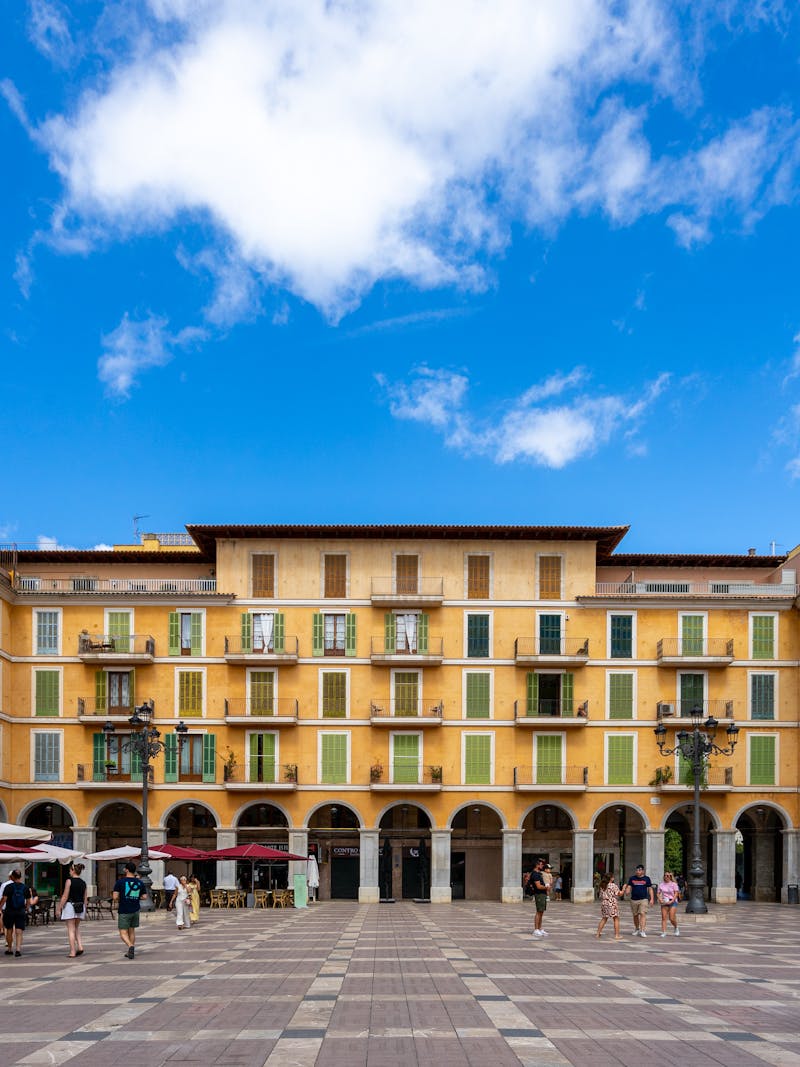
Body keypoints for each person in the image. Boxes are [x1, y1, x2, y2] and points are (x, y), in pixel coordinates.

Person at [113, 861, 147, 959]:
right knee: (131, 931)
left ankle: (130, 946)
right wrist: (135, 896)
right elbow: (144, 896)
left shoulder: (120, 882)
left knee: (123, 932)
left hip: (124, 909)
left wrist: (122, 897)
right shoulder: (139, 882)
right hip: (135, 909)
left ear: (126, 870)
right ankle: (130, 951)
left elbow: (115, 897)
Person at [1, 869, 37, 957]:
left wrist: (0, 907)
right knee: (19, 931)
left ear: (12, 877)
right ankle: (18, 949)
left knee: (9, 930)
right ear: (20, 877)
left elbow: (4, 899)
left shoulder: (8, 887)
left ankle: (9, 949)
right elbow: (28, 901)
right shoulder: (25, 887)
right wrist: (27, 909)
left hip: (9, 911)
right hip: (20, 911)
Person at [58, 862, 88, 958]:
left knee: (71, 929)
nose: (69, 872)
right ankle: (80, 946)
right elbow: (85, 898)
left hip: (70, 906)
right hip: (80, 907)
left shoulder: (69, 881)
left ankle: (72, 952)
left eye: (70, 870)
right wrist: (85, 909)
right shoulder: (83, 882)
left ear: (73, 870)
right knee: (76, 928)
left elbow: (65, 896)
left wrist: (59, 908)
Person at [624, 863, 655, 936]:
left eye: (639, 870)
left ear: (643, 871)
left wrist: (652, 899)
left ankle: (643, 930)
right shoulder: (632, 878)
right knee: (635, 915)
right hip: (634, 900)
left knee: (643, 914)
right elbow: (629, 886)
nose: (638, 871)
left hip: (643, 899)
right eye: (637, 870)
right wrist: (627, 891)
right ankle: (637, 928)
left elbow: (650, 889)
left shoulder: (647, 879)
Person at [595, 873, 623, 940]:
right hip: (611, 902)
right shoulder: (613, 885)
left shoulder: (602, 885)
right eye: (613, 877)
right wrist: (624, 889)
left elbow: (601, 895)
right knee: (616, 918)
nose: (613, 878)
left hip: (604, 902)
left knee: (604, 918)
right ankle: (617, 935)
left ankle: (598, 934)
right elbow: (619, 894)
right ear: (611, 878)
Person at [657, 870, 681, 937]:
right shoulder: (661, 884)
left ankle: (676, 927)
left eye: (667, 876)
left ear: (670, 877)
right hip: (664, 901)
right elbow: (658, 893)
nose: (666, 877)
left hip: (672, 901)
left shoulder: (674, 884)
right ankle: (664, 932)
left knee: (671, 918)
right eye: (665, 875)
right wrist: (660, 899)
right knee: (664, 918)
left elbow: (676, 893)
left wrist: (672, 900)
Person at [530, 858, 549, 938]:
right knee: (539, 912)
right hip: (539, 894)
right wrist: (546, 887)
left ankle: (540, 928)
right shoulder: (535, 874)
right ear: (537, 865)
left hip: (542, 894)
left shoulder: (539, 873)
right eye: (541, 864)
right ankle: (536, 930)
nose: (542, 866)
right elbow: (538, 886)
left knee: (541, 912)